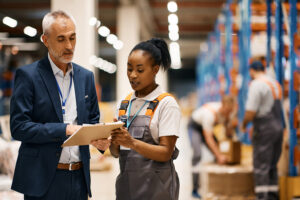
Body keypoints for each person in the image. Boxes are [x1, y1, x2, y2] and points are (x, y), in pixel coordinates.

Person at [10, 10, 110, 200]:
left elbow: (92, 121)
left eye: (73, 38)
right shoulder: (29, 76)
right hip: (43, 180)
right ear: (45, 40)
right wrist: (65, 130)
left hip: (79, 179)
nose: (69, 46)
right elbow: (19, 128)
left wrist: (100, 140)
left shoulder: (85, 77)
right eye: (61, 39)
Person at [109, 38, 180, 200]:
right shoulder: (124, 103)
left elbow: (165, 153)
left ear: (155, 70)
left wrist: (131, 142)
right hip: (127, 190)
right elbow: (115, 153)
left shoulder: (166, 104)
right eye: (129, 69)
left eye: (140, 70)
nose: (133, 75)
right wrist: (113, 140)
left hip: (158, 191)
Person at [242, 60, 283, 200]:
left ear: (252, 71)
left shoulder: (256, 84)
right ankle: (272, 195)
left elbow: (251, 111)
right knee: (272, 163)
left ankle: (262, 196)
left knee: (261, 164)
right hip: (279, 126)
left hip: (265, 127)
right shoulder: (275, 83)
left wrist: (244, 123)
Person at [187, 95, 236, 198]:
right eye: (227, 111)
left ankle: (217, 184)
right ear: (222, 106)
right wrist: (219, 156)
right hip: (195, 127)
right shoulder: (210, 114)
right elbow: (209, 138)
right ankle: (195, 189)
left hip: (206, 129)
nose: (228, 113)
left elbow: (228, 134)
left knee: (219, 151)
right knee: (197, 154)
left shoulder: (228, 113)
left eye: (230, 111)